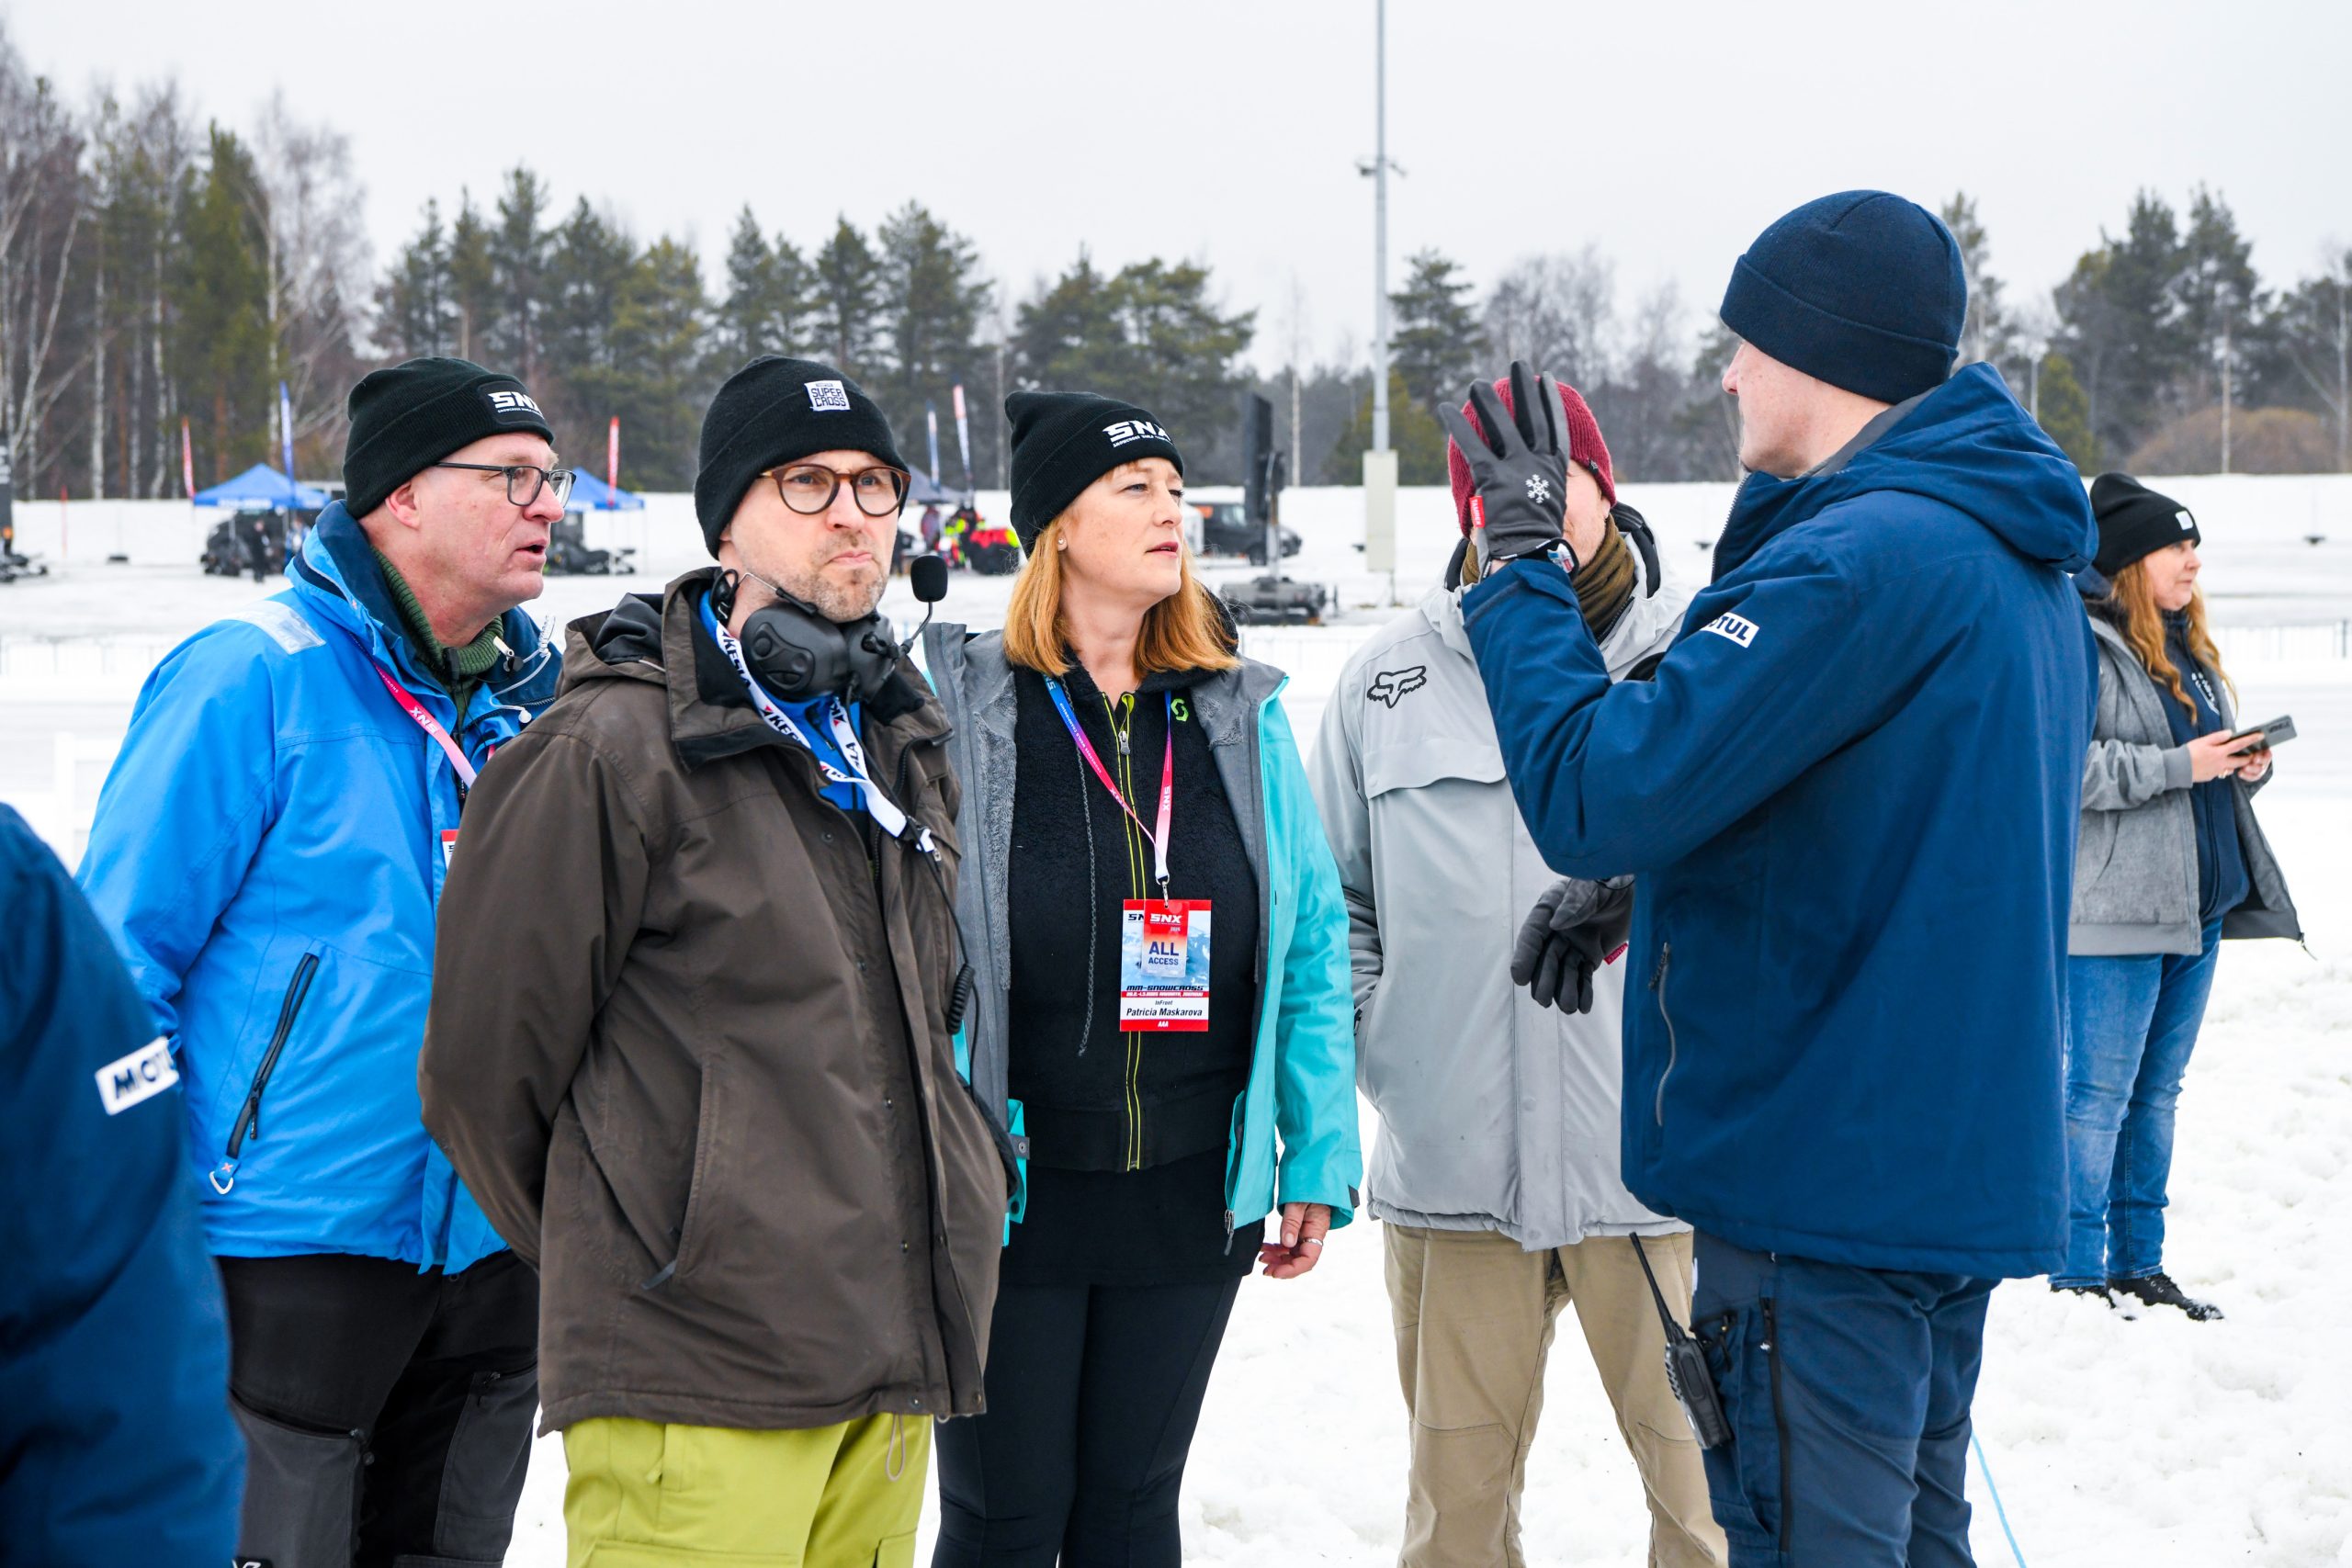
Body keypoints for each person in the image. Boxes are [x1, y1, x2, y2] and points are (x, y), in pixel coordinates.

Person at [1442, 191, 2098, 1565]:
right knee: (1908, 1537)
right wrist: (1650, 889)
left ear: (1823, 353)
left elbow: (1593, 790)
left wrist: (1520, 568)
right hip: (1927, 1172)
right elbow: (1893, 826)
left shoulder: (1861, 560)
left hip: (1826, 1187)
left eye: (1748, 343)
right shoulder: (1996, 552)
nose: (1730, 373)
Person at [419, 355, 1011, 1568]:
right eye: (807, 482)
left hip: (890, 1359)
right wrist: (661, 1257)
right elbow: (481, 1079)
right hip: (699, 1381)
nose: (852, 512)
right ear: (726, 520)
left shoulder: (895, 737)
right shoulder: (605, 749)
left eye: (875, 483)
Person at [77, 355, 565, 1568]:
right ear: (403, 495)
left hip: (496, 1245)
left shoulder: (540, 702)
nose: (548, 503)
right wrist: (139, 1217)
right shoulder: (252, 675)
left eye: (551, 477)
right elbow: (117, 969)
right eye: (512, 476)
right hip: (288, 1244)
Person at [919, 389, 1361, 1567]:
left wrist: (1316, 1150)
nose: (1174, 509)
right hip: (1012, 1191)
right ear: (1057, 527)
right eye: (1135, 488)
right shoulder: (964, 710)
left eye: (1175, 487)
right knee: (1004, 1523)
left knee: (1131, 1514)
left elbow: (1308, 942)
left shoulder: (1235, 713)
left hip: (1188, 1193)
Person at [1308, 375, 1723, 1568]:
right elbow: (1333, 902)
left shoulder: (1701, 659)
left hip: (1659, 1175)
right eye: (1501, 486)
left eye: (1561, 478)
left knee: (1711, 1510)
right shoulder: (1387, 679)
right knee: (1457, 1519)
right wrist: (1395, 1047)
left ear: (1605, 485)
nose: (1533, 504)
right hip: (1455, 1173)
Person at [2057, 472, 2299, 1319]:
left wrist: (2241, 765)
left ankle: (2140, 1264)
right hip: (2114, 911)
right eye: (2177, 546)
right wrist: (2179, 765)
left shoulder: (2185, 647)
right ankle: (2075, 1272)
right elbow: (2065, 769)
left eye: (2195, 546)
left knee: (2156, 1096)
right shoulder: (2081, 643)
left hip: (2195, 908)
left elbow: (2198, 770)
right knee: (2097, 1099)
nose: (2193, 561)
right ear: (2130, 558)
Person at [1, 804, 243, 1563]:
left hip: (460, 1260)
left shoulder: (14, 898)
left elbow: (113, 1379)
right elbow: (139, 936)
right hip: (275, 1237)